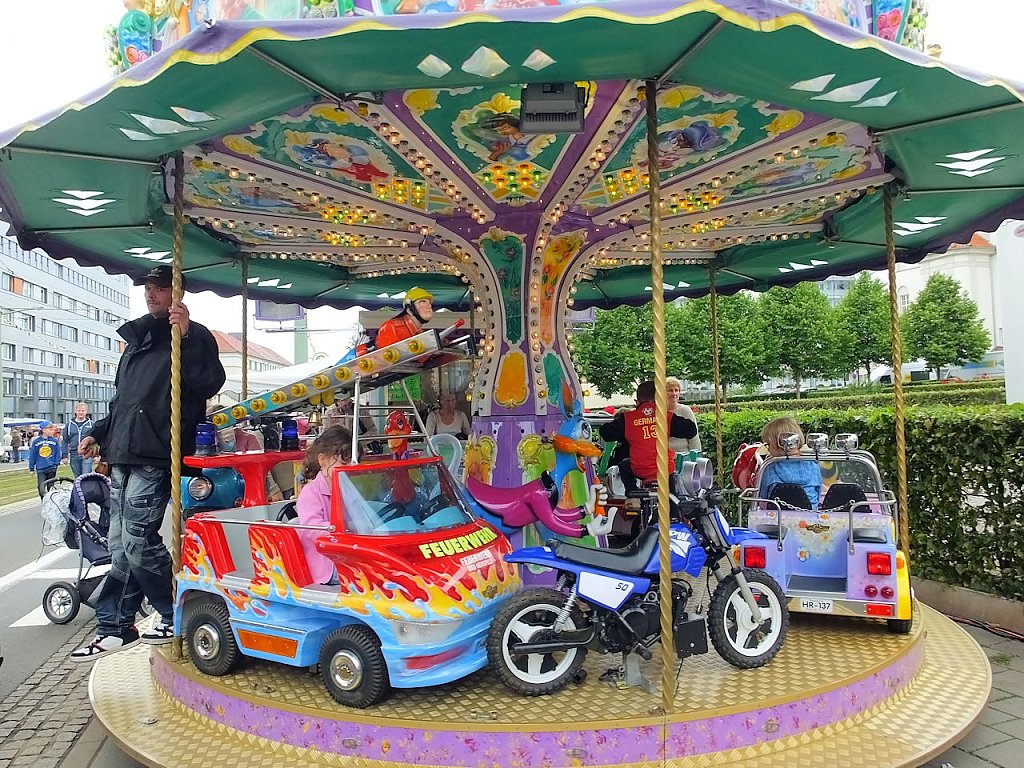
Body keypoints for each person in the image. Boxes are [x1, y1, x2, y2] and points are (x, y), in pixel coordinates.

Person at [71, 265, 226, 662]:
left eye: (159, 288)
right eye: (148, 288)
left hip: (155, 452)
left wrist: (187, 336)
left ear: (177, 293)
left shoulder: (192, 335)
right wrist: (99, 434)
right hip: (124, 451)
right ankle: (115, 626)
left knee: (138, 542)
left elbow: (209, 383)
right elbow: (122, 403)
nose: (151, 293)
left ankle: (174, 611)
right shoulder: (137, 342)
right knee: (121, 545)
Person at [598, 380, 697, 491]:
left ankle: (632, 493)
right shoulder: (666, 417)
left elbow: (604, 432)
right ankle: (672, 498)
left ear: (638, 400)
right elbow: (691, 430)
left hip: (640, 469)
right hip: (664, 469)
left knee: (623, 465)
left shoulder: (628, 419)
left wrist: (627, 434)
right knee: (670, 490)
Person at [296, 426, 352, 586]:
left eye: (354, 462)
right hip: (326, 564)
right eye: (344, 462)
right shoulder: (311, 492)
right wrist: (343, 528)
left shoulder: (349, 488)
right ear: (323, 460)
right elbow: (312, 528)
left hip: (348, 555)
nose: (350, 468)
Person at [757, 416, 823, 509]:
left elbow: (762, 495)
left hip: (777, 514)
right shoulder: (812, 465)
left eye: (768, 444)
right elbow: (818, 491)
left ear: (777, 443)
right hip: (810, 514)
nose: (768, 449)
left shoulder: (769, 467)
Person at [666, 377, 701, 455]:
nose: (674, 393)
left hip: (683, 457)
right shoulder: (658, 412)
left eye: (676, 390)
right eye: (670, 390)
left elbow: (694, 438)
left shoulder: (685, 410)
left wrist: (696, 457)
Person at [28, 421, 63, 498]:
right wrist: (31, 468)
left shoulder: (54, 441)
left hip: (52, 467)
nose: (52, 431)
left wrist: (56, 463)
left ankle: (51, 500)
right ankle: (43, 500)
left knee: (51, 486)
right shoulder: (36, 442)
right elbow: (32, 455)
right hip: (41, 468)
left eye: (52, 429)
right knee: (41, 486)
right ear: (43, 430)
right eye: (50, 429)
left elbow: (58, 453)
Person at [63, 402, 95, 477]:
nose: (81, 412)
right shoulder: (69, 425)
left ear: (86, 412)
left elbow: (96, 440)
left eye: (83, 411)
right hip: (74, 454)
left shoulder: (91, 424)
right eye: (79, 410)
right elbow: (65, 441)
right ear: (76, 411)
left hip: (87, 453)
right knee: (77, 476)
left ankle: (86, 485)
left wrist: (96, 455)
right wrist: (65, 456)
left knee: (86, 475)